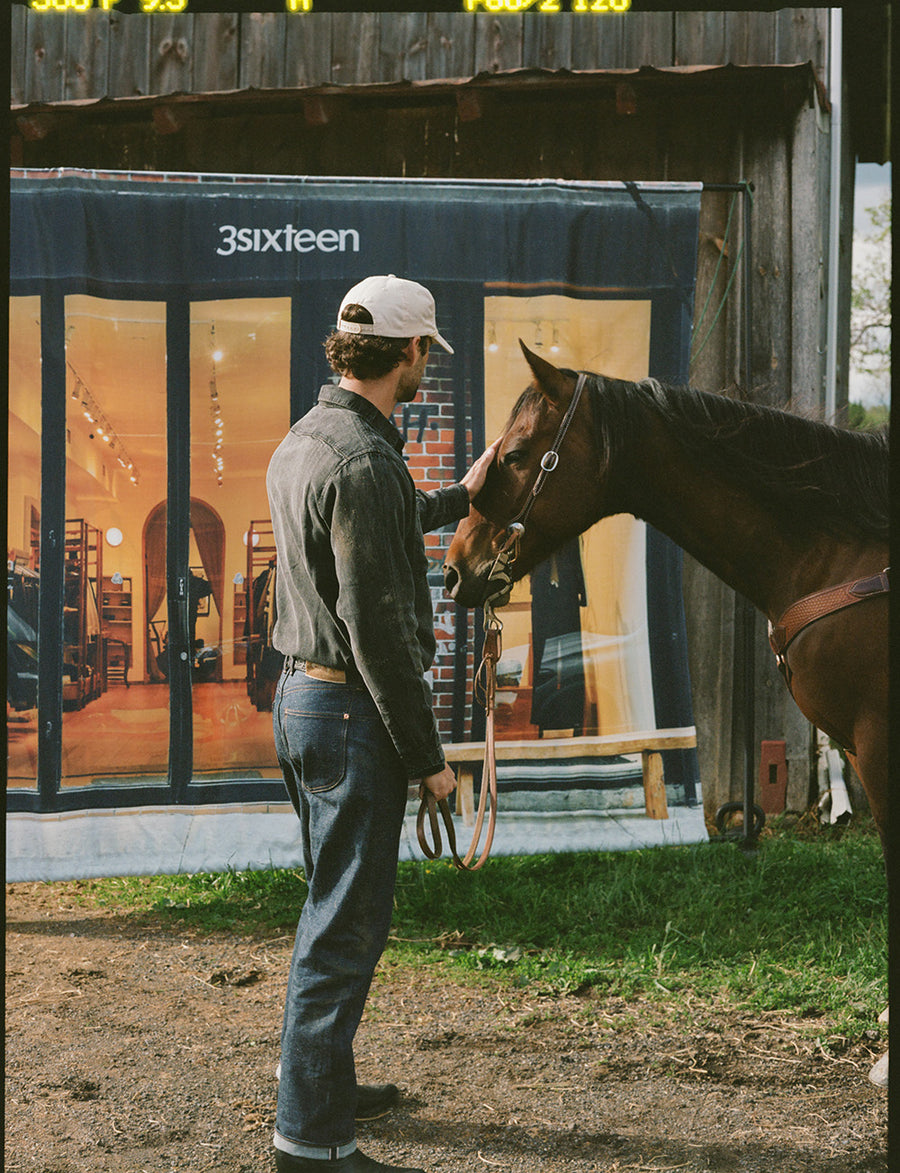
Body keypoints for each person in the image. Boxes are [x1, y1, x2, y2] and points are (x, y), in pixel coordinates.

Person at [266, 275, 498, 1173]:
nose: (424, 369)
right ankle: (310, 1141)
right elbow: (378, 635)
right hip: (352, 711)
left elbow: (378, 520)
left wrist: (463, 494)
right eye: (424, 355)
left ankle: (321, 1079)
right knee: (346, 924)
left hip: (303, 699)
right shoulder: (363, 459)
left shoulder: (313, 437)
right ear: (408, 354)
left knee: (328, 905)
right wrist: (431, 760)